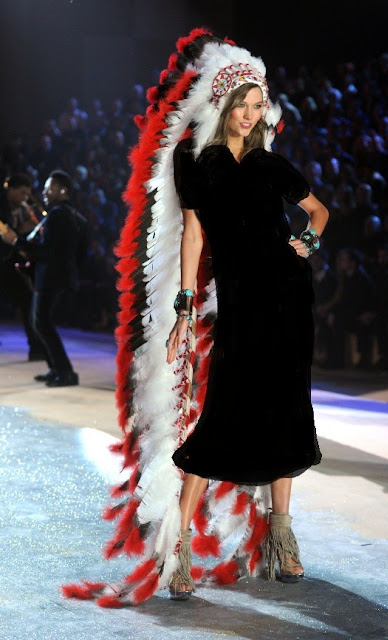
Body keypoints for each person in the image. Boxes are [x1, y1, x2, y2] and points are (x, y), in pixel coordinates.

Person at [62, 28, 328, 607]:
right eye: (243, 104)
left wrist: (305, 243)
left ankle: (282, 537)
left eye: (259, 106)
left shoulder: (270, 164)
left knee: (285, 412)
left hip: (286, 298)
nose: (251, 114)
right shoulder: (196, 162)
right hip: (238, 304)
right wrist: (183, 307)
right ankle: (178, 547)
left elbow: (318, 211)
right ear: (225, 105)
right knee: (220, 419)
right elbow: (193, 235)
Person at [0, 169, 88, 386]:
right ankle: (56, 368)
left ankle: (65, 372)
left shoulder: (57, 215)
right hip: (56, 275)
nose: (44, 193)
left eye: (50, 189)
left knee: (42, 324)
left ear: (63, 191)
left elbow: (45, 251)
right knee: (39, 322)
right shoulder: (73, 215)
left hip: (50, 277)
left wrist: (15, 241)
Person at [0, 173, 46, 361]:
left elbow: (14, 238)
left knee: (26, 300)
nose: (25, 198)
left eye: (27, 194)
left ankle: (35, 348)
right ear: (10, 190)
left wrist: (28, 230)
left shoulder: (21, 210)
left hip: (8, 262)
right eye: (22, 193)